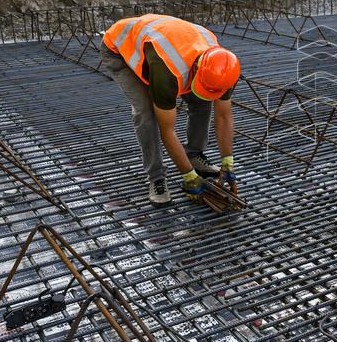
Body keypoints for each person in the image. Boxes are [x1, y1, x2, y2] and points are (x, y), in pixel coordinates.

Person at [100, 14, 241, 205]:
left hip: (162, 41)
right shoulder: (168, 71)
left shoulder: (224, 68)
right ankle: (156, 177)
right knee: (146, 112)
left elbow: (223, 116)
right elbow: (167, 130)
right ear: (197, 69)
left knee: (202, 100)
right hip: (119, 49)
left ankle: (194, 155)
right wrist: (189, 177)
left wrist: (228, 161)